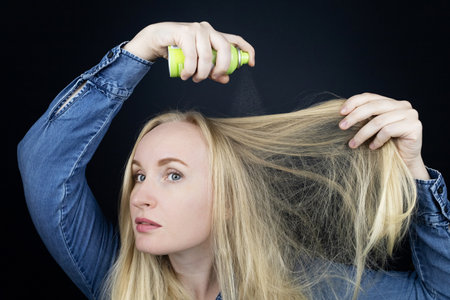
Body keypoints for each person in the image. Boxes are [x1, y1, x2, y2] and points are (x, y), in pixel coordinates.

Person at [17, 21, 449, 300]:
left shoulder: (304, 288)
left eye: (172, 174)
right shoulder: (118, 282)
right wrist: (141, 48)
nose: (141, 196)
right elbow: (43, 163)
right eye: (139, 174)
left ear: (228, 199)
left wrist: (413, 171)